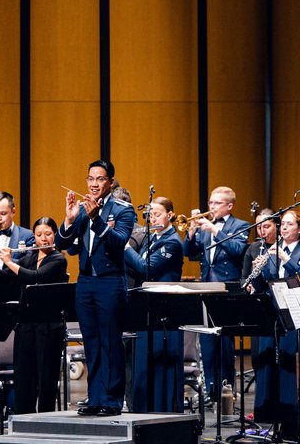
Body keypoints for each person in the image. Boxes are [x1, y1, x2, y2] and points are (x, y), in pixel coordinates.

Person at [56, 159, 136, 417]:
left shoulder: (123, 210)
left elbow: (118, 242)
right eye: (90, 179)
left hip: (110, 282)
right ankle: (95, 398)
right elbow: (63, 245)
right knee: (91, 342)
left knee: (110, 341)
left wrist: (96, 220)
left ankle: (112, 401)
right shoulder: (82, 209)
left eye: (100, 179)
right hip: (85, 282)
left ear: (110, 182)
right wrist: (69, 220)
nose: (93, 184)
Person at [0, 216, 68, 414]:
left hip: (49, 325)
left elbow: (34, 277)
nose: (43, 239)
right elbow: (5, 277)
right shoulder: (29, 258)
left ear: (55, 235)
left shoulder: (58, 259)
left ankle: (46, 419)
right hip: (26, 323)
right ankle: (23, 419)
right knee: (24, 376)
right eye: (39, 235)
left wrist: (8, 261)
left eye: (48, 234)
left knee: (46, 377)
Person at [247, 209, 300, 439]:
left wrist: (286, 260)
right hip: (273, 314)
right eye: (282, 224)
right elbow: (264, 284)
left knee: (293, 368)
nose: (284, 228)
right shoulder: (271, 252)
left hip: (296, 315)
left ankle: (294, 421)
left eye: (289, 224)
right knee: (271, 366)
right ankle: (272, 417)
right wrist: (257, 273)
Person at [184, 186, 249, 399]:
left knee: (225, 344)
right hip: (206, 288)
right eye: (210, 202)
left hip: (227, 289)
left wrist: (214, 230)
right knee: (207, 343)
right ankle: (211, 391)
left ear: (229, 206)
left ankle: (226, 392)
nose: (212, 207)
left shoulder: (240, 225)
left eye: (217, 203)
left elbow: (238, 250)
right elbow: (189, 253)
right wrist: (191, 231)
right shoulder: (204, 228)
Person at [123, 197, 186, 413]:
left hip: (165, 310)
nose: (153, 219)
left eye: (158, 214)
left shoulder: (173, 242)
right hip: (147, 307)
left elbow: (146, 268)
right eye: (150, 215)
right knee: (144, 362)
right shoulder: (151, 239)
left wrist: (126, 248)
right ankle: (143, 410)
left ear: (170, 215)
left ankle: (163, 410)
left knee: (162, 363)